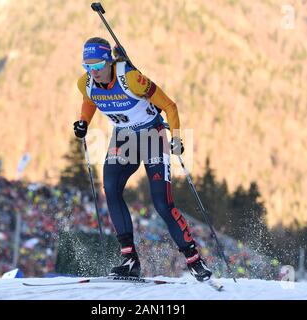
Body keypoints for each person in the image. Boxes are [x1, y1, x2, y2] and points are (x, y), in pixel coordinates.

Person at [73, 37, 212, 281]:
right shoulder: (86, 83)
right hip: (123, 138)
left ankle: (194, 260)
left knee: (161, 203)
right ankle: (130, 260)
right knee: (111, 189)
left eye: (97, 66)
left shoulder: (131, 79)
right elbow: (90, 100)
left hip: (151, 135)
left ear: (109, 62)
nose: (92, 72)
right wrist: (84, 122)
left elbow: (169, 105)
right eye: (87, 67)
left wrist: (177, 138)